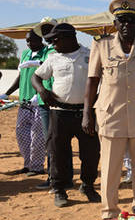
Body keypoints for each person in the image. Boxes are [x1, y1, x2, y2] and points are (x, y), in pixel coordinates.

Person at [82, 0, 135, 219]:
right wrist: (86, 112)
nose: (127, 25)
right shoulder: (101, 44)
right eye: (122, 21)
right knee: (110, 168)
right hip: (110, 114)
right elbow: (92, 80)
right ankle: (109, 211)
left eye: (131, 21)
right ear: (115, 24)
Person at [32, 23, 101, 207]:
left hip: (86, 113)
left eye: (55, 39)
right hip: (59, 113)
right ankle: (59, 189)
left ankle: (88, 186)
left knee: (91, 153)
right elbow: (35, 77)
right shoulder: (54, 58)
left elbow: (102, 80)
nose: (52, 43)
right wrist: (42, 91)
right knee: (58, 153)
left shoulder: (89, 55)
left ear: (69, 38)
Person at [1, 29, 51, 176]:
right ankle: (27, 164)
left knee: (37, 136)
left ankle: (36, 167)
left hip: (38, 102)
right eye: (27, 41)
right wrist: (8, 93)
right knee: (21, 133)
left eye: (32, 40)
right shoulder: (24, 54)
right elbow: (20, 76)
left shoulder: (47, 53)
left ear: (40, 40)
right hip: (24, 100)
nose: (29, 43)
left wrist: (38, 95)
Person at [33, 17, 58, 190]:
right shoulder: (44, 51)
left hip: (56, 101)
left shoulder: (58, 49)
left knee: (56, 141)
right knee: (50, 140)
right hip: (44, 102)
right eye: (43, 30)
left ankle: (57, 176)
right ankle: (53, 175)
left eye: (48, 28)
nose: (46, 32)